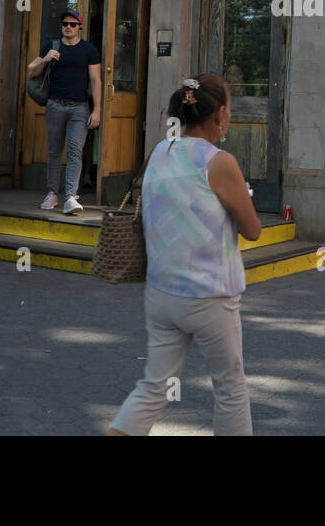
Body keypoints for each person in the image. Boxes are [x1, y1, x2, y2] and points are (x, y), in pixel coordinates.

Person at [109, 75, 260, 436]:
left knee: (153, 386)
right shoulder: (219, 161)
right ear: (218, 115)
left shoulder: (161, 151)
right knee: (230, 387)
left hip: (161, 292)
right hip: (209, 294)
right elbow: (252, 229)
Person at [27, 10, 101, 215]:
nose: (68, 27)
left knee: (75, 151)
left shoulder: (88, 50)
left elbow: (96, 80)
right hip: (55, 105)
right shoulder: (51, 46)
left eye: (73, 24)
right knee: (54, 151)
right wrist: (45, 59)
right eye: (65, 23)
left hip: (79, 107)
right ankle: (51, 193)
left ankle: (70, 196)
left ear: (80, 27)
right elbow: (32, 71)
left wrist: (97, 110)